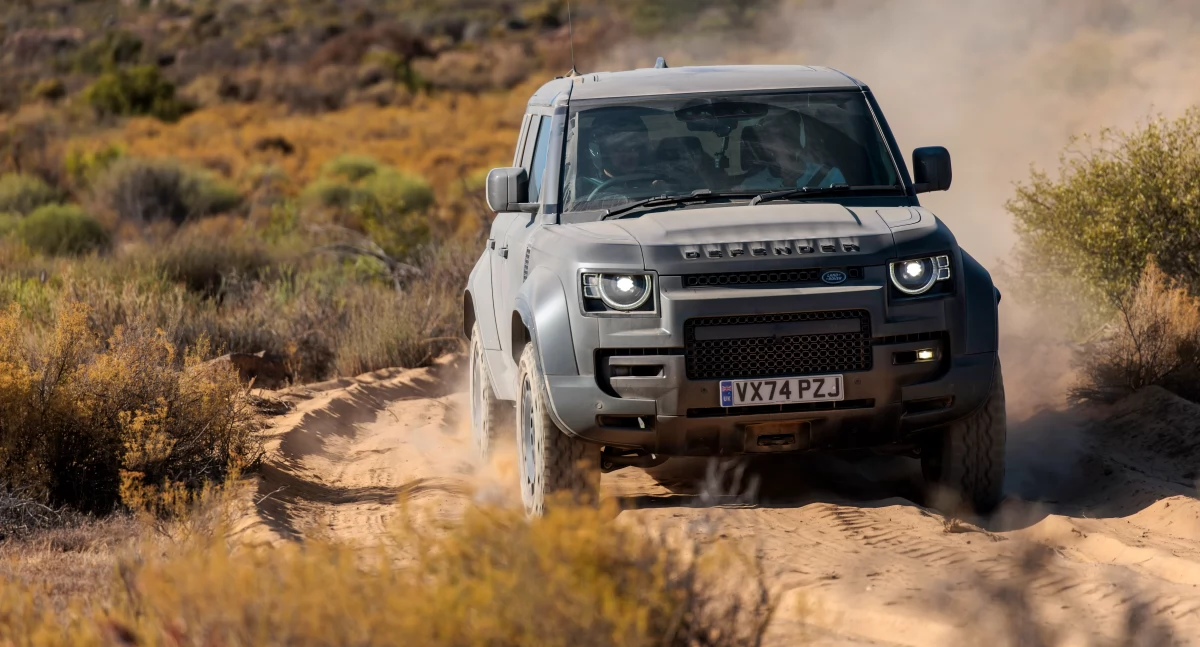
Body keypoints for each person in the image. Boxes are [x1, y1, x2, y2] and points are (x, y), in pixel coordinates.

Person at [738, 111, 846, 191]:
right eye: (763, 135)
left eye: (781, 135)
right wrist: (786, 185)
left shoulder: (831, 176)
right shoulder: (753, 185)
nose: (765, 142)